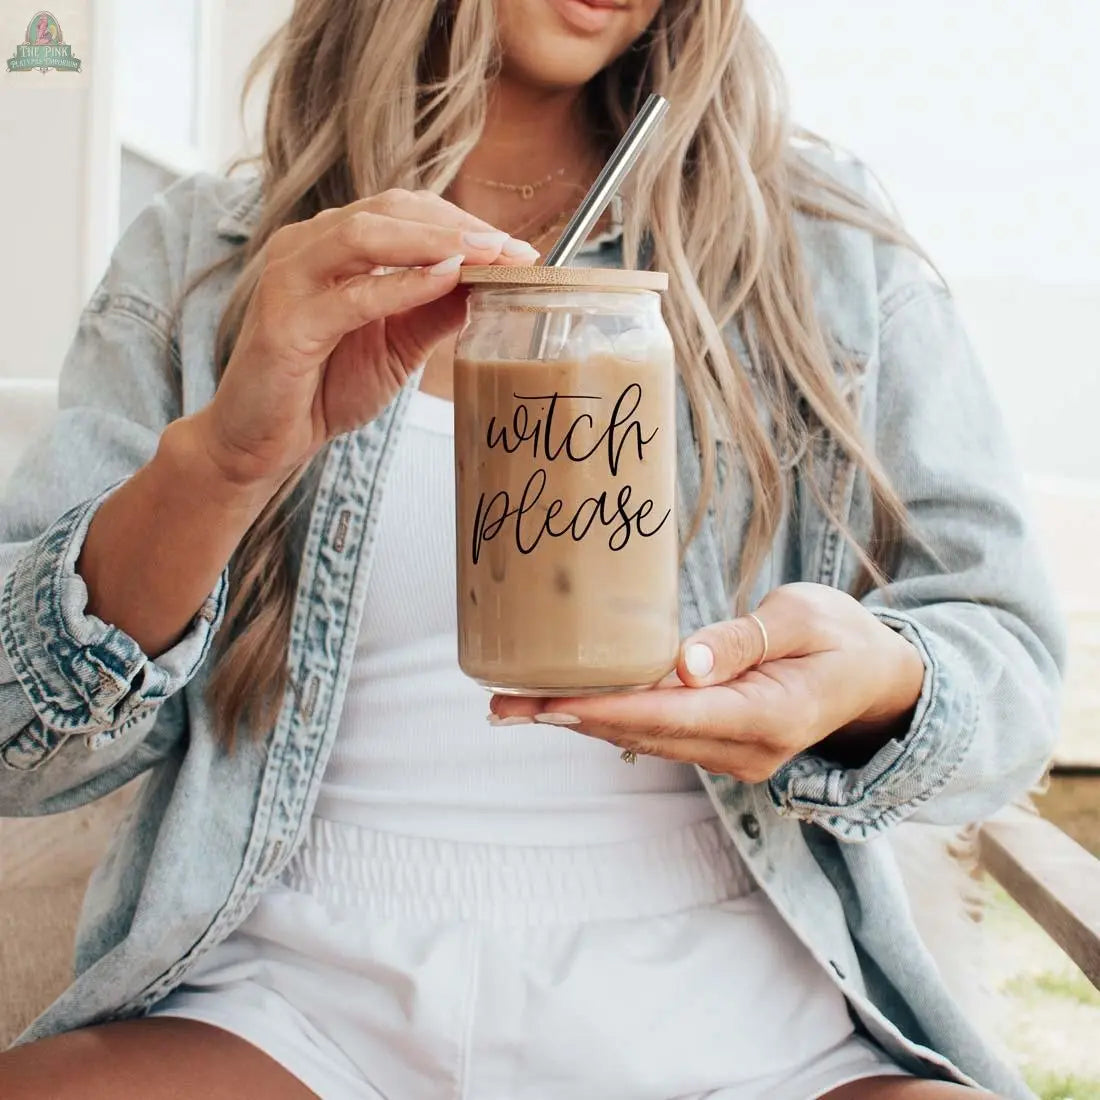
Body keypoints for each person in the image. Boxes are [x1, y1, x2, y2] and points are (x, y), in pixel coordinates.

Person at [0, 1, 1063, 1097]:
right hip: (298, 990)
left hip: (739, 999)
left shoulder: (822, 249)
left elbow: (1009, 662)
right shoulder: (213, 253)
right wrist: (219, 463)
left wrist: (873, 681)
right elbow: (13, 746)